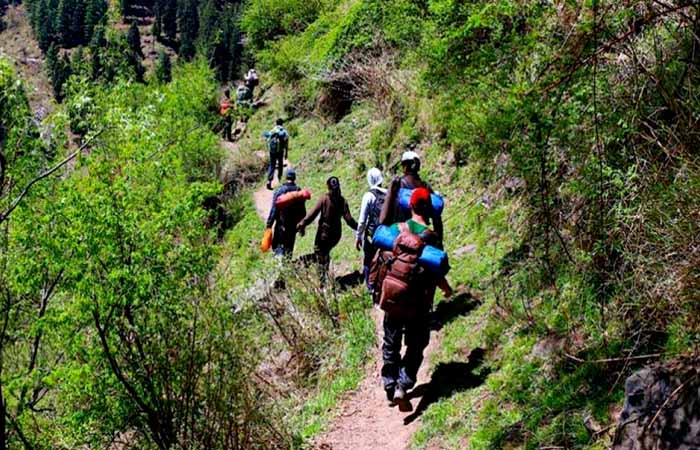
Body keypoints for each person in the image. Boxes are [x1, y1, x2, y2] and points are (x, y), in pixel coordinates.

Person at [380, 187, 452, 410]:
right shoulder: (431, 237)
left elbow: (383, 259)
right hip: (418, 302)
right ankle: (404, 384)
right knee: (416, 343)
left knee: (391, 341)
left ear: (409, 206)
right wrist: (447, 290)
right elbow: (437, 271)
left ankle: (389, 386)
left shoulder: (395, 230)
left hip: (393, 296)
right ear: (428, 209)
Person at [297, 176, 358, 282]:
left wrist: (303, 223)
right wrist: (359, 228)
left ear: (328, 187)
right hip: (336, 235)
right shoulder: (342, 201)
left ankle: (322, 282)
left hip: (324, 235)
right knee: (324, 253)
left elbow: (313, 214)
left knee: (320, 254)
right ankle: (324, 277)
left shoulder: (324, 198)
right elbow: (349, 220)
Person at [380, 150, 444, 248]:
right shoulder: (425, 187)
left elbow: (383, 220)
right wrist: (438, 240)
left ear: (405, 166)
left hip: (401, 238)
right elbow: (437, 218)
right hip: (423, 239)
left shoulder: (397, 185)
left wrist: (390, 191)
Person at [355, 168, 387, 293]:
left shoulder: (368, 195)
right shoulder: (388, 193)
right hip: (387, 232)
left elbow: (362, 220)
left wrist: (358, 237)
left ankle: (370, 287)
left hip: (372, 234)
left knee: (368, 260)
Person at [266, 169, 306, 258]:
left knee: (278, 248)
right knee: (289, 249)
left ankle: (279, 268)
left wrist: (269, 225)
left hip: (281, 226)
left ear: (286, 178)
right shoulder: (299, 192)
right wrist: (302, 227)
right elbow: (303, 212)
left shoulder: (280, 191)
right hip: (293, 227)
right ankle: (287, 267)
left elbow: (274, 210)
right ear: (294, 178)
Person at [264, 119, 289, 190]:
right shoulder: (284, 131)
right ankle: (280, 180)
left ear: (276, 123)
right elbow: (286, 142)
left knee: (272, 165)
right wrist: (286, 152)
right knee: (280, 165)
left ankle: (269, 181)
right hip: (280, 151)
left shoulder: (272, 130)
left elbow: (267, 139)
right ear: (282, 124)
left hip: (272, 151)